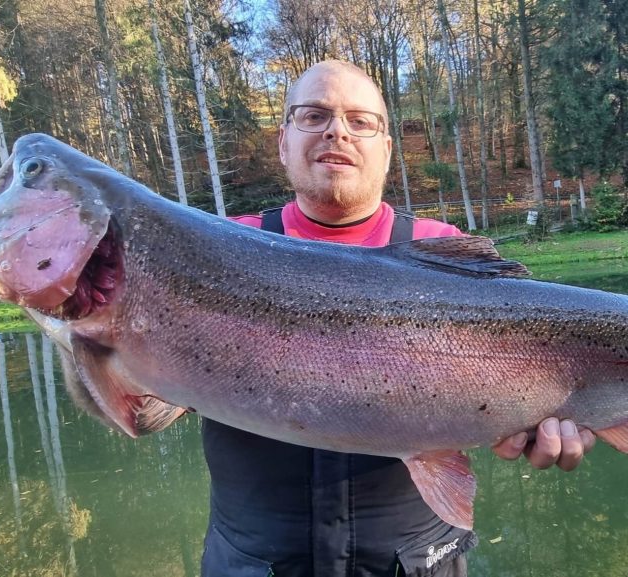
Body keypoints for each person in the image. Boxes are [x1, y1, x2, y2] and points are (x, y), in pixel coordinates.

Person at [200, 60, 596, 577]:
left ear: (386, 150)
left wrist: (555, 414)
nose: (337, 130)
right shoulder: (222, 248)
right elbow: (140, 411)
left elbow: (538, 360)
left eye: (360, 120)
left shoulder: (445, 251)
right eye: (313, 115)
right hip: (251, 564)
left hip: (418, 563)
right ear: (283, 142)